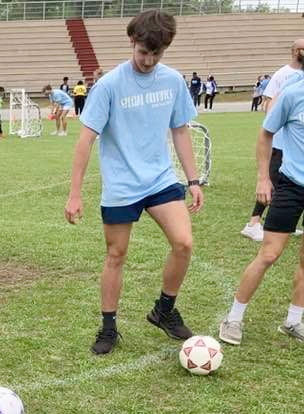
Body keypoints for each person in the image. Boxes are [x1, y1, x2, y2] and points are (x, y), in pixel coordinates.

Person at [64, 9, 204, 355]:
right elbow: (85, 140)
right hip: (122, 185)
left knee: (184, 243)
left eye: (157, 53)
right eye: (143, 52)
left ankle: (164, 310)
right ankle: (108, 327)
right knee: (116, 254)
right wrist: (75, 193)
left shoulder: (172, 80)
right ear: (132, 41)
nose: (149, 60)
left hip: (160, 179)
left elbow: (180, 130)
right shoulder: (109, 85)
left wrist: (193, 179)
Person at [219, 78, 304, 346]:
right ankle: (233, 319)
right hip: (291, 185)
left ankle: (293, 321)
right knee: (269, 254)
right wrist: (263, 178)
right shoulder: (292, 94)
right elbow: (266, 133)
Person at [241, 40, 304, 242]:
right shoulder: (285, 75)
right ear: (296, 51)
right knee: (274, 181)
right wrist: (278, 122)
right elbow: (269, 103)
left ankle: (287, 224)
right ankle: (253, 223)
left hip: (292, 144)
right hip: (279, 142)